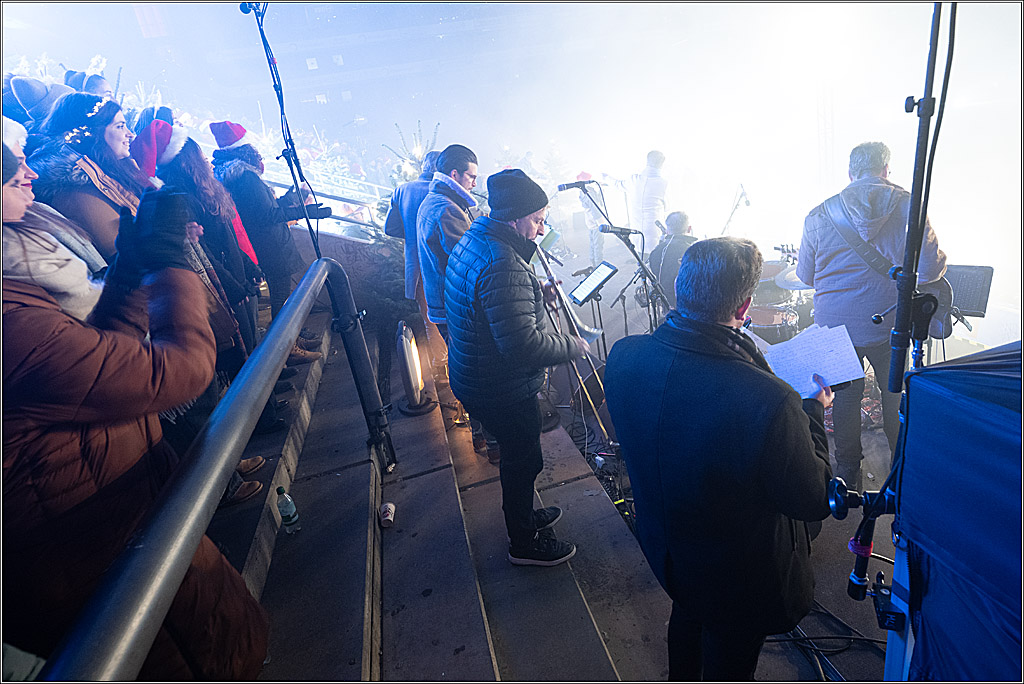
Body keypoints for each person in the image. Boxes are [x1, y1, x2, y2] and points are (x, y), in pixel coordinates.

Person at [2, 173, 270, 679]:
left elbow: (102, 360)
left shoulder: (14, 296)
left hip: (122, 536)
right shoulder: (12, 327)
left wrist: (130, 267)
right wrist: (170, 262)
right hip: (100, 568)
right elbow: (182, 368)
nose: (28, 171)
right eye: (9, 167)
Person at [604, 236, 834, 680]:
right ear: (745, 307)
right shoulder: (770, 400)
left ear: (679, 287)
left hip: (668, 548)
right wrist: (812, 412)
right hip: (737, 578)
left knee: (688, 619)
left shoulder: (625, 355)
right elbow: (812, 499)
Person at [445, 168, 590, 566]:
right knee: (524, 458)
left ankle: (523, 516)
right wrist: (572, 345)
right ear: (514, 218)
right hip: (499, 386)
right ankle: (524, 542)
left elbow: (492, 305)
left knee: (520, 455)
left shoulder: (479, 238)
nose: (542, 230)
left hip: (476, 374)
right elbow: (522, 346)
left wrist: (534, 293)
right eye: (538, 220)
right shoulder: (503, 261)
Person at [797, 141, 946, 490]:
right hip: (889, 321)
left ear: (850, 173)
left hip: (837, 327)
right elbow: (930, 271)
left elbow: (805, 276)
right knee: (894, 394)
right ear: (885, 170)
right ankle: (900, 471)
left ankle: (847, 473)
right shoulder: (910, 206)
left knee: (846, 398)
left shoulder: (819, 213)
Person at [210, 119, 330, 365]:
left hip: (267, 244)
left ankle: (292, 338)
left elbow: (265, 210)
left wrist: (292, 198)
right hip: (271, 247)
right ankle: (287, 349)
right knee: (282, 301)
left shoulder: (239, 176)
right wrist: (304, 212)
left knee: (283, 299)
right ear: (243, 148)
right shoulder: (246, 178)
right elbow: (266, 217)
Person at [28, 92, 152, 263]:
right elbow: (127, 257)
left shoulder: (112, 171)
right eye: (120, 126)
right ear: (92, 133)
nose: (130, 134)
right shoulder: (77, 190)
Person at [384, 149, 445, 367]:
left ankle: (441, 370)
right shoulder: (442, 192)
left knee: (430, 322)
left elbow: (390, 228)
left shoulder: (402, 190)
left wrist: (412, 234)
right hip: (443, 267)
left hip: (416, 266)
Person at [648, 210, 697, 308]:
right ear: (689, 229)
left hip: (664, 300)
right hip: (688, 303)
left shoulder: (656, 251)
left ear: (667, 230)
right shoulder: (692, 252)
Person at [631, 149, 668, 247]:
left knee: (640, 257)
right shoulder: (664, 184)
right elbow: (668, 208)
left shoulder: (633, 180)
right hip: (655, 229)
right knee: (654, 258)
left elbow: (617, 184)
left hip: (637, 230)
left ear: (647, 161)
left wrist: (606, 178)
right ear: (662, 164)